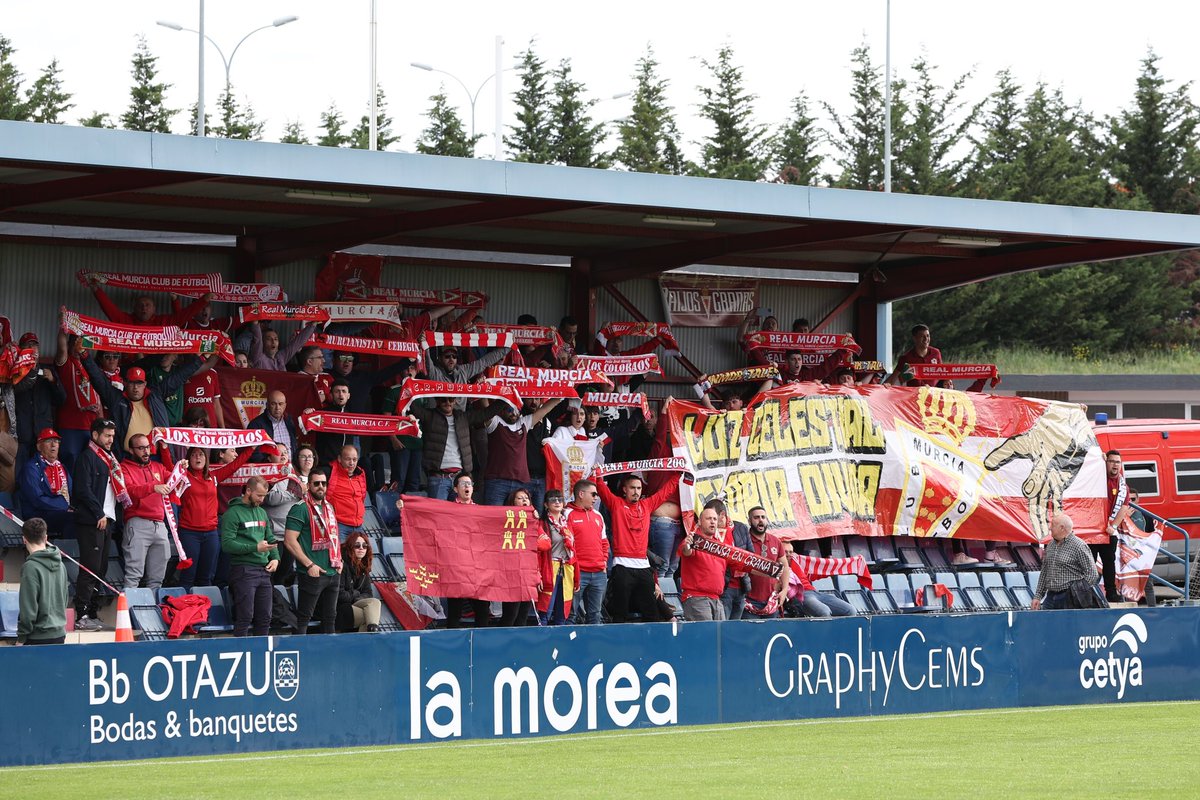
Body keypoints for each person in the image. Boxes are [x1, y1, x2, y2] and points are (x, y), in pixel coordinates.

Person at [158, 443, 255, 592]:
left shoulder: (214, 476)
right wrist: (164, 447)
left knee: (206, 578)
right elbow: (169, 466)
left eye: (201, 454)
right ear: (188, 458)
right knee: (188, 577)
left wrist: (252, 448)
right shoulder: (183, 476)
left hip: (211, 534)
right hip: (189, 533)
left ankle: (207, 612)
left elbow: (235, 465)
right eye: (194, 454)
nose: (198, 457)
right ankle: (186, 612)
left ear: (206, 457)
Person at [83, 350, 215, 459]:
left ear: (145, 384)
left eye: (139, 383)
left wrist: (202, 358)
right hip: (127, 458)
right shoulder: (117, 399)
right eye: (132, 383)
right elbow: (98, 379)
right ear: (125, 383)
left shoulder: (155, 395)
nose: (135, 388)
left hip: (156, 457)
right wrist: (84, 354)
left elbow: (179, 376)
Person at [592, 469, 676, 623]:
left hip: (643, 567)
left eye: (639, 488)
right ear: (624, 490)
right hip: (623, 565)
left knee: (651, 613)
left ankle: (650, 644)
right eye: (632, 488)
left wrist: (678, 475)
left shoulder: (647, 505)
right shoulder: (616, 504)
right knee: (620, 613)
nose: (636, 492)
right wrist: (597, 474)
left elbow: (665, 492)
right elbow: (601, 488)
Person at [71, 418, 119, 632]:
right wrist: (99, 512)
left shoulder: (110, 458)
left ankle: (92, 612)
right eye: (107, 435)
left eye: (112, 436)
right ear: (95, 435)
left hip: (107, 520)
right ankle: (80, 614)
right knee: (90, 568)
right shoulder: (87, 457)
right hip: (92, 520)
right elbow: (83, 489)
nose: (110, 440)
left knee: (101, 569)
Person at [285, 466, 343, 634]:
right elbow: (289, 541)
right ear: (309, 485)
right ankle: (300, 656)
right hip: (312, 572)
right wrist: (309, 565)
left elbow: (334, 537)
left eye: (324, 483)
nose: (321, 487)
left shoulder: (329, 507)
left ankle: (329, 656)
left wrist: (340, 561)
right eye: (316, 483)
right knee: (304, 618)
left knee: (331, 617)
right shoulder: (300, 508)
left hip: (333, 571)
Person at [220, 476, 278, 637]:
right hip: (243, 570)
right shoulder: (232, 513)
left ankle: (260, 655)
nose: (262, 499)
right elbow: (227, 544)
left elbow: (271, 538)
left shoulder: (262, 512)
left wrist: (275, 558)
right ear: (248, 491)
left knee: (265, 618)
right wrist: (255, 547)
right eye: (259, 495)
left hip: (264, 571)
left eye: (264, 495)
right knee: (245, 617)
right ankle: (241, 653)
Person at [407, 397, 492, 501]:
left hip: (461, 477)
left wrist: (507, 398)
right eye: (443, 400)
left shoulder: (463, 416)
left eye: (451, 400)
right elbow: (412, 407)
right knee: (438, 515)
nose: (447, 403)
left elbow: (486, 413)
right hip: (438, 478)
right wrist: (406, 388)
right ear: (437, 401)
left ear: (455, 401)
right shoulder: (430, 415)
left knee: (460, 515)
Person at [483, 397, 563, 506]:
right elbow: (486, 410)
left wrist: (562, 393)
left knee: (519, 519)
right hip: (497, 482)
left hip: (520, 484)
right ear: (501, 410)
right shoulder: (495, 421)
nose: (514, 413)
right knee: (493, 519)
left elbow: (545, 409)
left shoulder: (523, 423)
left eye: (516, 410)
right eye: (510, 410)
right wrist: (483, 389)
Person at [119, 433, 173, 591]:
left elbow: (175, 480)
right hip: (137, 523)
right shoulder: (124, 468)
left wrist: (180, 467)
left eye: (148, 447)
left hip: (160, 525)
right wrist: (153, 486)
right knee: (133, 576)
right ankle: (126, 615)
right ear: (131, 450)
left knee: (157, 579)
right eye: (141, 448)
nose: (146, 452)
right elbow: (128, 491)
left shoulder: (158, 467)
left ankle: (152, 614)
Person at [443, 473, 493, 629]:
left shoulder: (481, 511)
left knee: (483, 610)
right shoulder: (446, 511)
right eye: (463, 483)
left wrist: (531, 515)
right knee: (454, 612)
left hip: (477, 567)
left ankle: (482, 646)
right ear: (455, 488)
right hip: (455, 566)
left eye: (469, 483)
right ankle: (453, 647)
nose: (467, 486)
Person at [15, 517, 68, 646]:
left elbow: (28, 609)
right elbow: (65, 599)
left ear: (24, 540)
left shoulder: (30, 567)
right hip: (59, 634)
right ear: (46, 538)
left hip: (36, 637)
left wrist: (21, 638)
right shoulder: (61, 565)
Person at [1032, 513, 1101, 610]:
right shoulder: (1051, 545)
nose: (1050, 528)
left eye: (1053, 525)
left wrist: (1077, 592)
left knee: (1067, 625)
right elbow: (1044, 572)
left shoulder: (1079, 546)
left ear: (1062, 528)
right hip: (1050, 597)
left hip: (1069, 598)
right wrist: (1038, 596)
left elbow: (1092, 574)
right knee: (1047, 624)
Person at [565, 479, 608, 624]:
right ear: (581, 494)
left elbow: (604, 542)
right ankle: (567, 646)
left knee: (595, 615)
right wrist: (572, 568)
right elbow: (565, 544)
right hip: (577, 572)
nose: (596, 497)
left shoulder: (598, 515)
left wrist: (603, 563)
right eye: (593, 494)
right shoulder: (567, 513)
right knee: (570, 614)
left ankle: (593, 646)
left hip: (598, 573)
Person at [262, 445, 304, 586]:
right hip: (273, 535)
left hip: (290, 535)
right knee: (270, 575)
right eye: (278, 453)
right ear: (269, 457)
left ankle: (279, 606)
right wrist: (293, 492)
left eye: (285, 452)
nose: (283, 455)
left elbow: (302, 498)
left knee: (283, 575)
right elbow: (270, 498)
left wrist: (296, 491)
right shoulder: (266, 475)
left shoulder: (293, 475)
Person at [18, 428, 72, 535]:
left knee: (86, 518)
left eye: (56, 441)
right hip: (37, 514)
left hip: (58, 511)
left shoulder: (61, 467)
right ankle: (70, 551)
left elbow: (71, 492)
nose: (53, 445)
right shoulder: (31, 468)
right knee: (73, 519)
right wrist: (63, 506)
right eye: (48, 441)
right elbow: (37, 500)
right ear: (39, 446)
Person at [678, 506, 729, 621]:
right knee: (707, 636)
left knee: (720, 637)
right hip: (697, 598)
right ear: (700, 521)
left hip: (717, 599)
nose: (712, 522)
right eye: (708, 518)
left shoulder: (720, 546)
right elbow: (686, 551)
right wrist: (687, 544)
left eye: (715, 519)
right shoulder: (693, 540)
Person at [497, 487, 539, 626]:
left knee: (522, 617)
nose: (524, 501)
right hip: (511, 573)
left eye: (526, 498)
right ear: (512, 502)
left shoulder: (534, 519)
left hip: (528, 573)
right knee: (510, 616)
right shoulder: (504, 520)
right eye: (520, 498)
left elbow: (545, 543)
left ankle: (519, 646)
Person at [1094, 449, 1130, 602]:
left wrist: (1113, 526)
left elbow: (1124, 507)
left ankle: (1111, 592)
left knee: (1109, 562)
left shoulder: (1123, 486)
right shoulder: (1097, 477)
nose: (1115, 465)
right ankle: (1089, 592)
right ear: (1106, 463)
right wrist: (1098, 461)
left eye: (1118, 462)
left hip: (1108, 530)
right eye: (1112, 461)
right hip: (1093, 529)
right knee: (1089, 562)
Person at [742, 506, 792, 618]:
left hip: (771, 600)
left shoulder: (776, 541)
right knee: (752, 635)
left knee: (771, 635)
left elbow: (785, 568)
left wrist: (784, 591)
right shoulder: (744, 541)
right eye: (756, 517)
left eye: (763, 517)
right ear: (749, 521)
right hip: (749, 601)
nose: (760, 520)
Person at [536, 489, 574, 625]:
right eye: (553, 499)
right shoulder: (542, 524)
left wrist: (577, 578)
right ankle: (542, 643)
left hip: (566, 569)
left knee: (562, 612)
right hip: (549, 567)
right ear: (546, 504)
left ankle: (560, 644)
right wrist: (537, 574)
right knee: (545, 611)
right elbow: (538, 552)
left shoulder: (567, 524)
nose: (557, 502)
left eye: (560, 499)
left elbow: (574, 551)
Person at [338, 532, 382, 632]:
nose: (361, 548)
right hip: (339, 608)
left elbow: (368, 593)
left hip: (354, 604)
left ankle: (372, 628)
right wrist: (356, 594)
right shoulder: (341, 565)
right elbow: (340, 595)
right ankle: (373, 631)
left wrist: (355, 597)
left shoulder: (363, 567)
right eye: (357, 545)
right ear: (350, 547)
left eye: (364, 546)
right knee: (368, 615)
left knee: (375, 603)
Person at [327, 444, 367, 541]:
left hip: (359, 525)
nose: (351, 463)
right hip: (339, 525)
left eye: (354, 459)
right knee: (341, 555)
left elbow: (362, 497)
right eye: (348, 459)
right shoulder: (330, 472)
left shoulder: (360, 473)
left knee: (361, 555)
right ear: (339, 459)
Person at [313, 380, 358, 464]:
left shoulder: (353, 417)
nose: (341, 394)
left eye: (344, 391)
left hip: (347, 465)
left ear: (348, 396)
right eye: (337, 391)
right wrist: (309, 413)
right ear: (331, 395)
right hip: (326, 464)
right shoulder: (321, 414)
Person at [249, 390, 299, 463]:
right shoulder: (256, 424)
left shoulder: (289, 420)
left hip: (291, 468)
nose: (277, 408)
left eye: (280, 404)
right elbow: (253, 452)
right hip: (269, 470)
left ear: (285, 405)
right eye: (273, 404)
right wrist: (267, 466)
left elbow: (295, 444)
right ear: (267, 405)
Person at [248, 320, 316, 372]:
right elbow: (257, 340)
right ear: (262, 342)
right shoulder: (258, 357)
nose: (273, 342)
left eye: (275, 339)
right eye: (269, 339)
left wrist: (313, 324)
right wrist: (255, 323)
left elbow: (297, 343)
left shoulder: (281, 357)